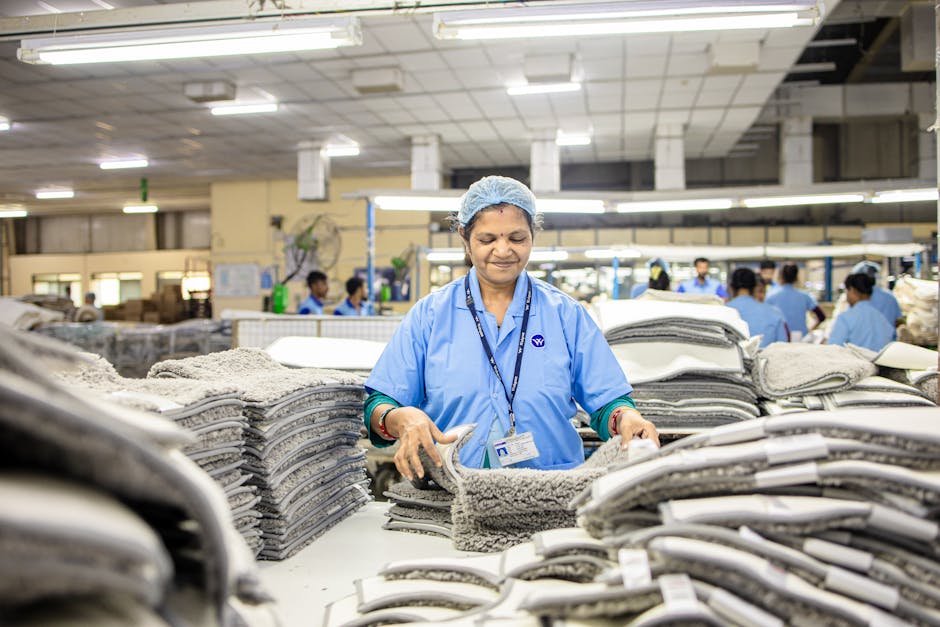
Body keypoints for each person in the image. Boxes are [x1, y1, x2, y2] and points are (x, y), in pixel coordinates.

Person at [364, 176, 658, 480]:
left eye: (517, 238)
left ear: (533, 235)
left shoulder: (565, 314)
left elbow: (608, 400)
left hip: (548, 487)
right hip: (450, 488)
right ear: (465, 238)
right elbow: (379, 403)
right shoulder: (429, 315)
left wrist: (626, 419)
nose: (503, 251)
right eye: (487, 239)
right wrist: (399, 419)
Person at [828, 273, 893, 352]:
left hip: (853, 363)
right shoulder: (882, 319)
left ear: (851, 290)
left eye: (847, 291)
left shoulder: (845, 318)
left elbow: (833, 349)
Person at [726, 267, 788, 347]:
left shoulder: (721, 313)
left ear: (731, 288)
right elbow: (783, 348)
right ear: (755, 288)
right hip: (767, 358)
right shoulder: (775, 312)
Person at [766, 263, 826, 341]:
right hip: (801, 338)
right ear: (796, 277)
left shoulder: (770, 296)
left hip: (780, 339)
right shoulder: (805, 296)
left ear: (780, 276)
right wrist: (810, 329)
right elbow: (821, 316)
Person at [851, 261, 903, 336]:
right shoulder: (889, 296)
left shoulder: (856, 298)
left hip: (861, 344)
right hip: (888, 343)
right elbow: (899, 321)